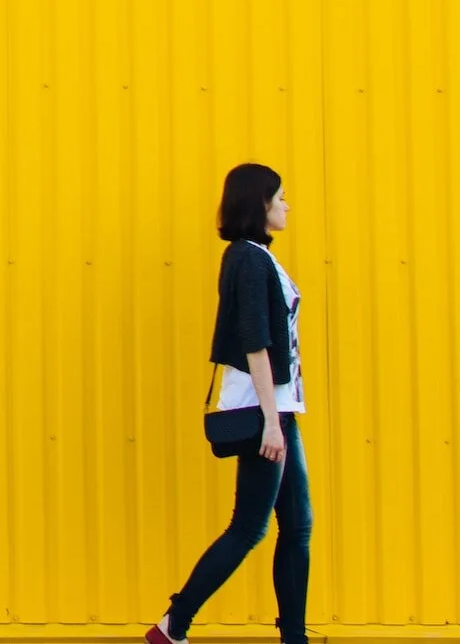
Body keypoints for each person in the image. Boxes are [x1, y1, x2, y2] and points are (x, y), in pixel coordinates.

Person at [147, 163, 311, 644]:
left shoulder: (258, 256)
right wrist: (270, 422)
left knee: (298, 525)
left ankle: (294, 635)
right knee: (249, 527)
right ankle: (174, 622)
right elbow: (255, 341)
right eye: (280, 196)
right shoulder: (248, 258)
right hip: (267, 411)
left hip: (280, 407)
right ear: (258, 203)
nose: (286, 204)